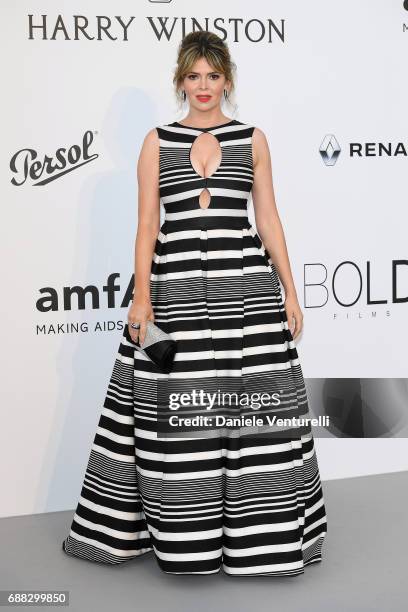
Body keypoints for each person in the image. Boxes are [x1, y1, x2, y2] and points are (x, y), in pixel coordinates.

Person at [62, 30, 327, 576]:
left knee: (254, 412)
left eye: (212, 76)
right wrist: (141, 298)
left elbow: (268, 219)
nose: (202, 86)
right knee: (175, 414)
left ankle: (261, 543)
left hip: (246, 293)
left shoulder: (253, 139)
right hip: (175, 291)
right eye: (192, 76)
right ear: (180, 81)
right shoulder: (156, 141)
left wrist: (291, 288)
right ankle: (189, 542)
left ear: (226, 79)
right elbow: (145, 226)